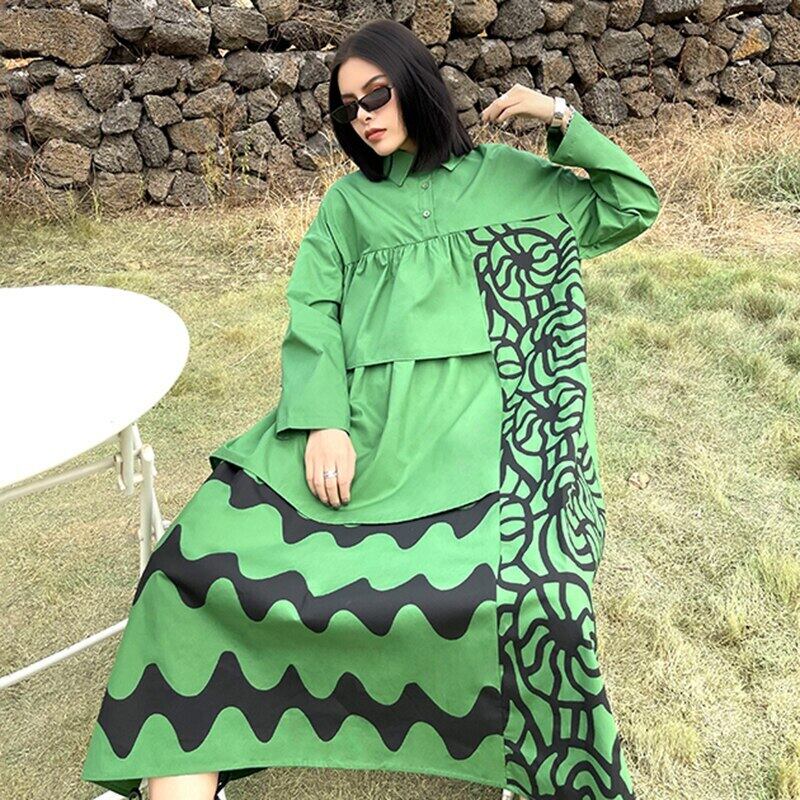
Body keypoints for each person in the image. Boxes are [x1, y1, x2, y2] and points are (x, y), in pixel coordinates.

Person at [81, 17, 660, 800]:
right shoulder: (348, 207)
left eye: (376, 94)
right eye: (348, 106)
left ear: (415, 85)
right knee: (193, 565)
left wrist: (558, 118)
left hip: (480, 437)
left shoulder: (510, 181)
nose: (363, 116)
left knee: (533, 601)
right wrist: (324, 421)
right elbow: (313, 313)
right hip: (362, 430)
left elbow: (632, 204)